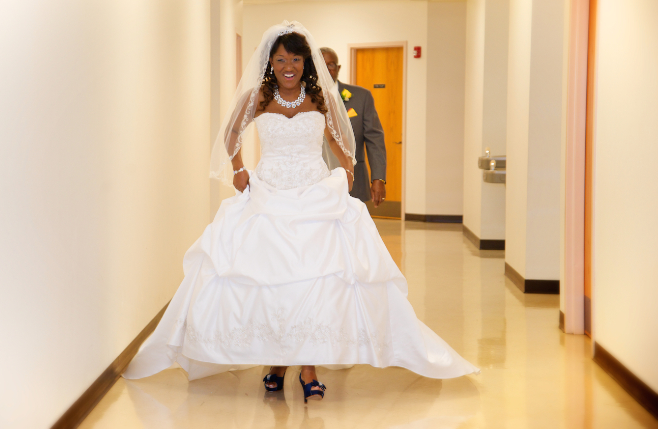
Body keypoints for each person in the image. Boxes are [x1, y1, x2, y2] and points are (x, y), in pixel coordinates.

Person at [123, 21, 478, 403]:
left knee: (312, 283)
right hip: (269, 195)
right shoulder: (259, 97)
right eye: (280, 59)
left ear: (305, 62)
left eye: (295, 59)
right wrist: (239, 169)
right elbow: (231, 133)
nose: (288, 66)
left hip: (315, 195)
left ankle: (308, 367)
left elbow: (338, 138)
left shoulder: (319, 97)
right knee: (275, 282)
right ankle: (277, 363)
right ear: (270, 62)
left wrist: (348, 167)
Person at [320, 47, 387, 207]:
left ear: (338, 68)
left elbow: (374, 139)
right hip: (316, 180)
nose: (326, 70)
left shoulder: (362, 96)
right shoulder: (301, 99)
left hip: (354, 180)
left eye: (331, 65)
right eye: (321, 65)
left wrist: (378, 178)